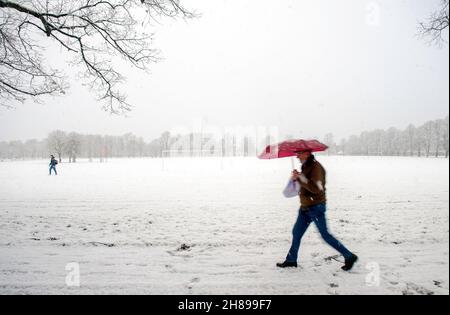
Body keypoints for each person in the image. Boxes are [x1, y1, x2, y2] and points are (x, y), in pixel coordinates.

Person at [277, 150, 358, 271]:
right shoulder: (306, 166)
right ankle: (291, 260)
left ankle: (349, 256)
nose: (296, 155)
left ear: (307, 153)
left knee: (325, 235)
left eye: (299, 153)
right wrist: (297, 177)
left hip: (316, 207)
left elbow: (316, 188)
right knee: (296, 233)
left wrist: (300, 178)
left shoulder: (316, 167)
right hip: (305, 207)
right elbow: (305, 182)